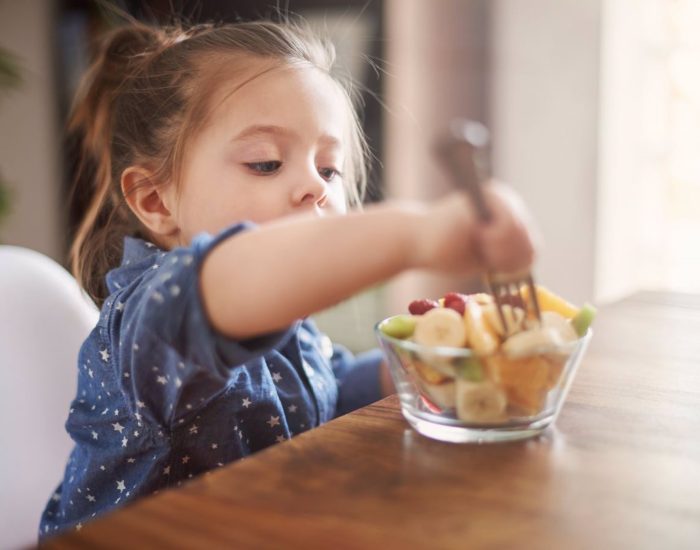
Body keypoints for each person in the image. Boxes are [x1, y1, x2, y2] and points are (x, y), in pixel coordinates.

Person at [40, 19, 536, 538]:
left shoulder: (284, 320)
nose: (313, 187)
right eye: (266, 163)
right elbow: (235, 275)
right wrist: (419, 233)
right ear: (155, 200)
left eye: (329, 169)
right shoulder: (153, 320)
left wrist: (419, 365)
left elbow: (324, 391)